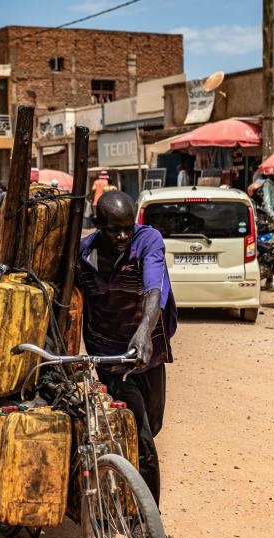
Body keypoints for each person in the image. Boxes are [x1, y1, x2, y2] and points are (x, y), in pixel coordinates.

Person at [76, 191, 178, 506]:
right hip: (110, 356)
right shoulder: (83, 254)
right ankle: (147, 520)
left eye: (127, 228)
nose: (122, 236)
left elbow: (153, 288)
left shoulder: (148, 241)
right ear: (97, 225)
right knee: (142, 436)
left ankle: (126, 476)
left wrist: (144, 332)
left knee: (153, 424)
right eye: (114, 229)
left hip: (147, 352)